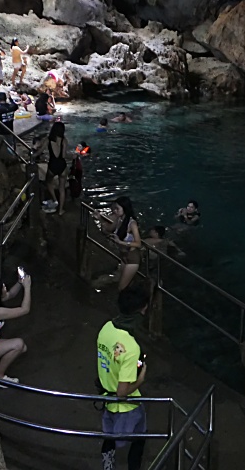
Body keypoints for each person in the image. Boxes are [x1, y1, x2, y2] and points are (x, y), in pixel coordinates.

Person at [97, 284, 150, 470]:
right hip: (128, 406)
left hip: (105, 398)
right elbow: (122, 393)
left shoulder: (106, 328)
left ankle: (108, 466)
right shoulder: (131, 347)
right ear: (141, 310)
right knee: (139, 440)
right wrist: (141, 378)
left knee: (109, 438)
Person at [93, 196, 142, 290]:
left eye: (117, 208)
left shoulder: (132, 223)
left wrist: (120, 242)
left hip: (132, 259)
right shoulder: (119, 220)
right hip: (123, 256)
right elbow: (107, 231)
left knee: (121, 287)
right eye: (114, 208)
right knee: (125, 283)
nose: (115, 211)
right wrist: (99, 219)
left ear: (125, 209)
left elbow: (138, 243)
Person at [38, 121, 69, 216]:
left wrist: (32, 155)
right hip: (62, 165)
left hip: (53, 165)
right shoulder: (64, 140)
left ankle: (55, 200)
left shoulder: (48, 139)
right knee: (62, 188)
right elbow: (64, 156)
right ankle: (60, 210)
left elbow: (40, 151)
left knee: (48, 182)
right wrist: (73, 156)